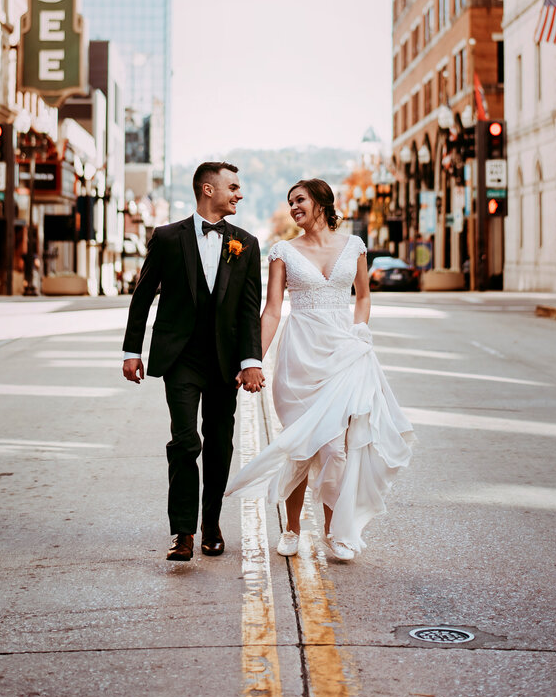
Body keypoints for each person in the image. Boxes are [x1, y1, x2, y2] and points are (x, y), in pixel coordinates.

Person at [226, 178, 414, 562]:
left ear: (322, 202)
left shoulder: (354, 246)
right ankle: (292, 528)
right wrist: (254, 361)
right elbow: (273, 310)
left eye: (300, 200)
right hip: (299, 356)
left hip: (344, 352)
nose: (294, 207)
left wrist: (360, 333)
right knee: (301, 443)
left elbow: (363, 297)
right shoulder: (283, 251)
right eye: (290, 202)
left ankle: (335, 531)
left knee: (335, 447)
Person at [122, 162, 264, 562]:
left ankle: (212, 524)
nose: (238, 194)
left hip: (225, 362)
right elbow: (143, 294)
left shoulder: (246, 243)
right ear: (207, 189)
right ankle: (182, 531)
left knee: (219, 445)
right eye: (232, 187)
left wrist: (251, 360)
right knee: (185, 443)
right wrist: (132, 351)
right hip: (180, 357)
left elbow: (249, 308)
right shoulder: (167, 237)